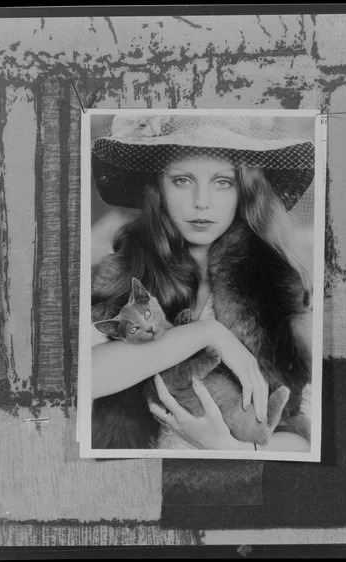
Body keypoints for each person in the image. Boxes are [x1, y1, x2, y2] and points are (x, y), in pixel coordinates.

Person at [90, 113, 314, 452]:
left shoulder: (279, 285)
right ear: (158, 188)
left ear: (245, 190)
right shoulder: (124, 273)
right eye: (182, 180)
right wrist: (208, 333)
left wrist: (230, 449)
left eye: (223, 182)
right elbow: (84, 379)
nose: (202, 202)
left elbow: (301, 434)